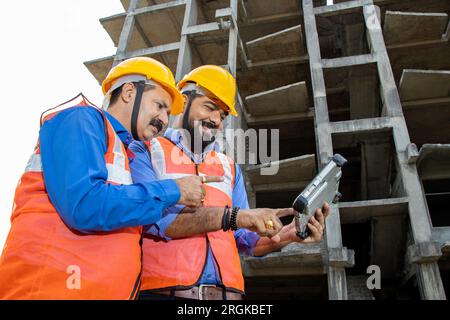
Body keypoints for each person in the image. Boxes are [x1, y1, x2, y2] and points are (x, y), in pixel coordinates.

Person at [0, 57, 222, 300]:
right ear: (128, 92)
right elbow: (84, 204)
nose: (163, 119)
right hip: (50, 290)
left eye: (168, 113)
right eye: (159, 105)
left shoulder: (124, 153)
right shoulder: (82, 119)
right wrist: (174, 190)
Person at [128, 65, 330, 300]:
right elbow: (156, 221)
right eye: (210, 107)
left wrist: (288, 235)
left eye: (223, 115)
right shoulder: (145, 151)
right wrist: (236, 216)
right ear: (183, 102)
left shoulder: (229, 168)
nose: (216, 121)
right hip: (164, 293)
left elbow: (244, 239)